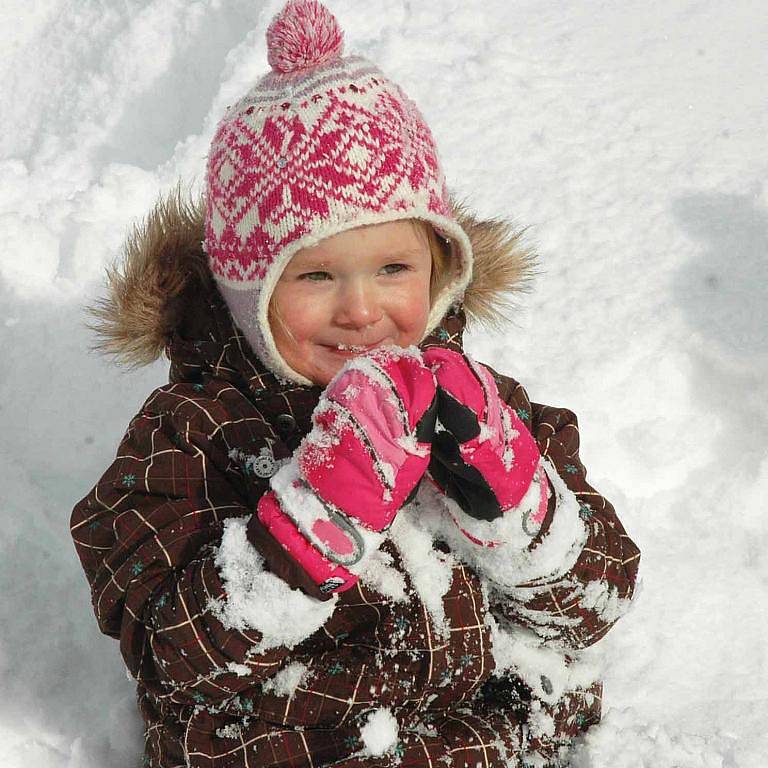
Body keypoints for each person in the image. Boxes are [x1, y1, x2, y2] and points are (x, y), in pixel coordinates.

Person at [70, 1, 640, 766]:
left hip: (495, 744)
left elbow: (595, 606)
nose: (363, 309)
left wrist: (521, 512)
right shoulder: (196, 434)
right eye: (315, 275)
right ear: (248, 292)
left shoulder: (479, 404)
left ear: (440, 267)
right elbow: (176, 663)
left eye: (394, 269)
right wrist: (304, 532)